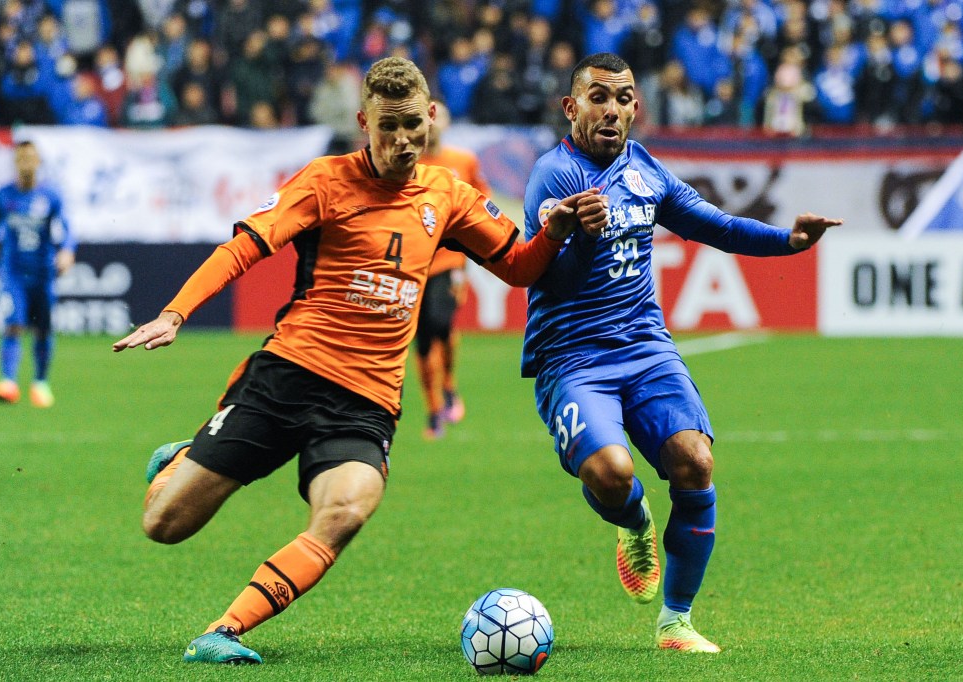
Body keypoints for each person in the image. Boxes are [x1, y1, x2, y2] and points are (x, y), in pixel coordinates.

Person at [112, 56, 598, 666]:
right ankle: (183, 458)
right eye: (387, 127)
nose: (401, 141)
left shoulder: (448, 193)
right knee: (164, 523)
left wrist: (552, 232)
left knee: (344, 511)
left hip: (365, 403)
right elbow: (245, 247)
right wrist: (175, 314)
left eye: (411, 127)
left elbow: (521, 267)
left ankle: (224, 632)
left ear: (432, 119)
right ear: (365, 122)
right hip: (289, 375)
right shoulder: (324, 180)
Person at [521, 53, 841, 653]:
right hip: (573, 357)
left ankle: (677, 622)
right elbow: (553, 282)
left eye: (623, 98)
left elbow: (713, 224)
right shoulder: (554, 177)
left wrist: (789, 242)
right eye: (598, 97)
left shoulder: (646, 171)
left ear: (636, 108)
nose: (612, 109)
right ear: (571, 108)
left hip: (645, 348)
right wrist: (580, 237)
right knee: (613, 475)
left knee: (695, 461)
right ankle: (634, 521)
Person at [414, 99, 491, 439]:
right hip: (413, 263)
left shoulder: (462, 162)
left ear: (444, 122)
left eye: (437, 115)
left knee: (440, 322)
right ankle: (433, 408)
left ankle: (448, 384)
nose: (431, 123)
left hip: (449, 260)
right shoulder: (407, 165)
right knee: (422, 337)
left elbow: (482, 204)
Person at [0, 140, 75, 407]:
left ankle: (40, 383)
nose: (26, 164)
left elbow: (66, 228)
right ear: (14, 163)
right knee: (14, 322)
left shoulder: (50, 197)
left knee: (42, 328)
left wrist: (67, 250)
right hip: (12, 272)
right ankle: (8, 381)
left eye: (30, 158)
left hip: (44, 273)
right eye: (21, 158)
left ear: (39, 162)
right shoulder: (4, 196)